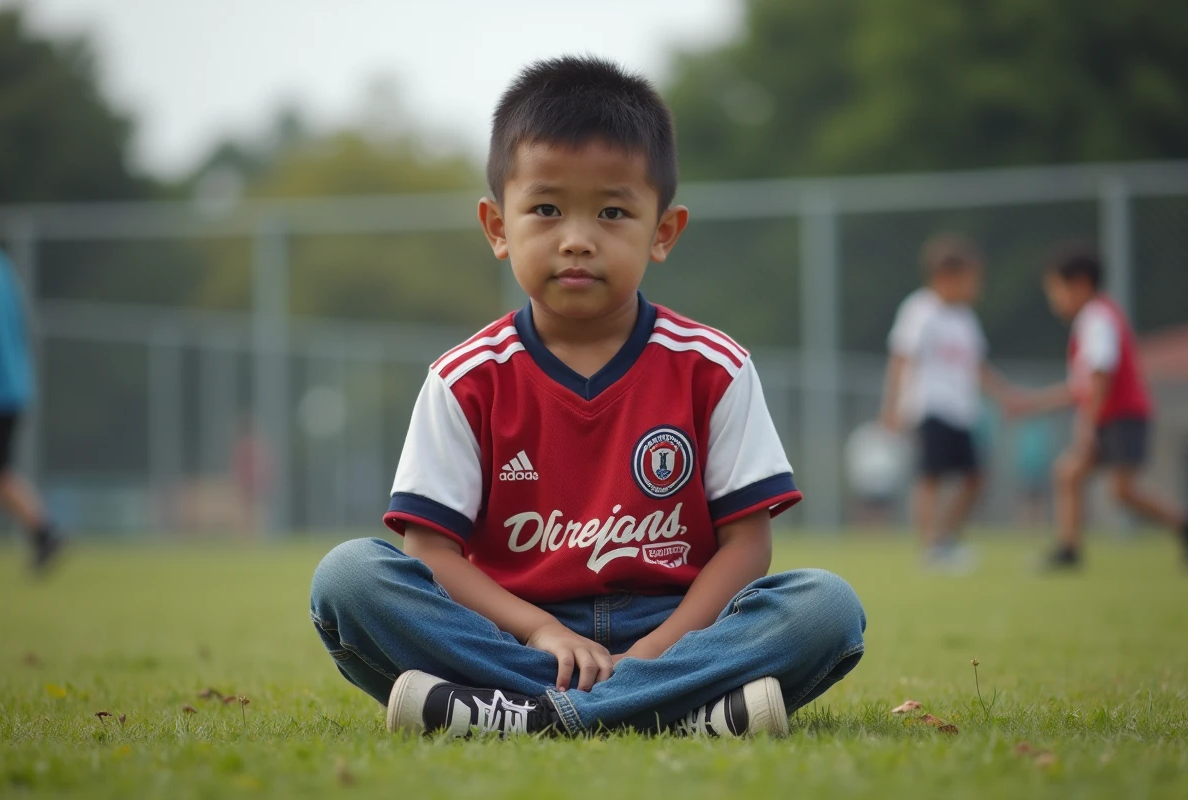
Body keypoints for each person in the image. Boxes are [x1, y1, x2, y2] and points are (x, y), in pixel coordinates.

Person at [310, 57, 865, 739]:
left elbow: (748, 546)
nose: (576, 238)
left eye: (612, 211)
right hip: (510, 634)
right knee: (349, 580)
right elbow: (430, 554)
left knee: (825, 608)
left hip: (675, 630)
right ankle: (680, 713)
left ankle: (520, 718)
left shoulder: (713, 367)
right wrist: (541, 629)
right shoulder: (463, 378)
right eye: (545, 209)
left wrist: (657, 652)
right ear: (497, 226)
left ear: (662, 231)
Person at [1007, 246, 1188, 568]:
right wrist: (1033, 404)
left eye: (1056, 290)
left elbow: (1100, 376)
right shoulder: (1093, 319)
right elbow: (1081, 386)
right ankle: (1069, 550)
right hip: (1112, 416)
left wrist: (1087, 425)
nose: (1054, 300)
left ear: (1079, 284)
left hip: (1121, 416)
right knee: (1072, 475)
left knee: (1120, 491)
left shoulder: (1097, 318)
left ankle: (1186, 526)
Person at [878, 235, 1013, 570]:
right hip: (929, 407)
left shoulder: (965, 318)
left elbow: (977, 365)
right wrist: (892, 407)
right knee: (931, 477)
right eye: (971, 279)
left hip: (962, 411)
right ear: (946, 277)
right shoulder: (920, 310)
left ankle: (944, 539)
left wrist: (1005, 395)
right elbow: (900, 358)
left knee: (975, 478)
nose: (976, 287)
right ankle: (930, 549)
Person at [0, 244, 62, 571]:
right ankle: (43, 531)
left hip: (0, 389)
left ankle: (44, 530)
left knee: (0, 473)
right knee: (0, 473)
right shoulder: (2, 266)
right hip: (14, 385)